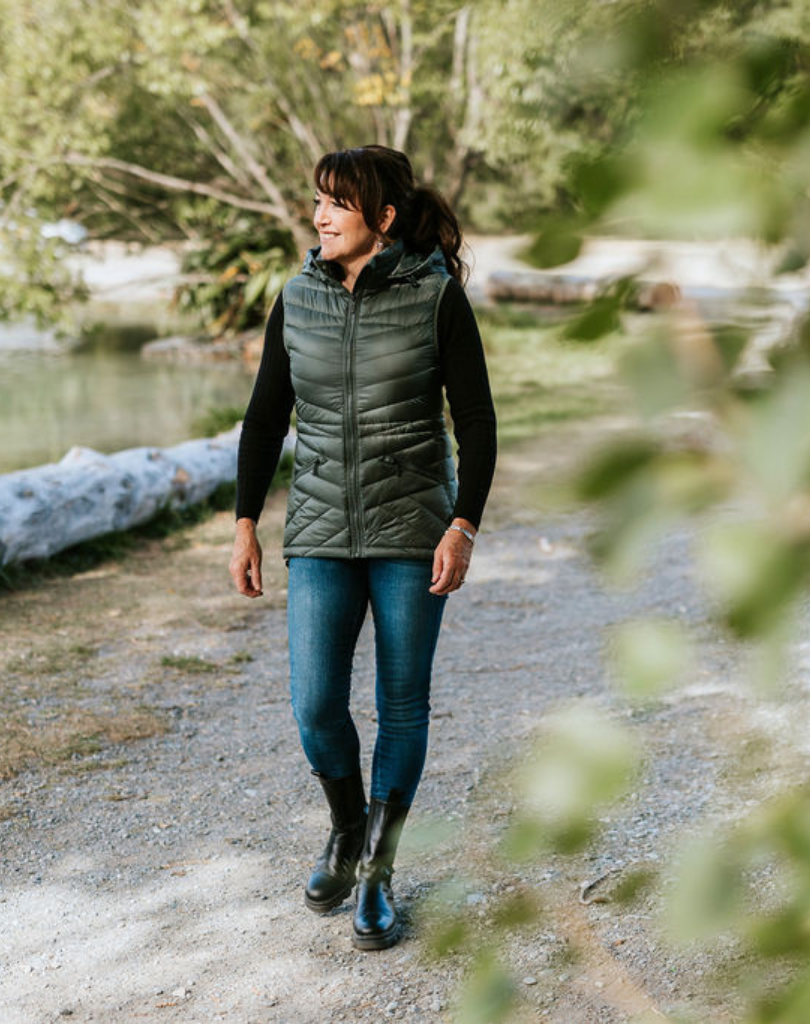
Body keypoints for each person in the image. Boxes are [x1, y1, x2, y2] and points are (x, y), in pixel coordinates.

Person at [228, 145, 497, 951]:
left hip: (413, 530)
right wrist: (244, 522)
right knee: (315, 704)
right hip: (319, 529)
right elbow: (265, 417)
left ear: (382, 218)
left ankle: (377, 872)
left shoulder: (435, 297)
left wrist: (463, 524)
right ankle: (347, 829)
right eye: (317, 200)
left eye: (337, 203)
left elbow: (476, 422)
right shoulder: (297, 296)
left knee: (402, 705)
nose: (320, 216)